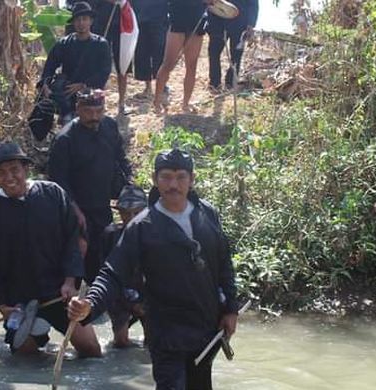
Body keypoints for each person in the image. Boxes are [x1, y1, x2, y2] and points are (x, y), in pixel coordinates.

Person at [68, 149, 240, 390]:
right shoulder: (142, 226)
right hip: (166, 332)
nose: (173, 184)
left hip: (205, 328)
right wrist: (90, 304)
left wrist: (230, 309)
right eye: (166, 177)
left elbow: (223, 264)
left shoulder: (207, 214)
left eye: (181, 177)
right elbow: (112, 273)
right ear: (154, 179)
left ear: (192, 180)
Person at [0, 142, 101, 357]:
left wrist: (70, 281)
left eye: (15, 169)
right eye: (1, 173)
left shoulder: (53, 194)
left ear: (26, 169)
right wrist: (2, 305)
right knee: (25, 357)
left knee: (91, 350)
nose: (9, 177)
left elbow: (73, 238)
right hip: (19, 301)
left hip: (59, 294)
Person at [48, 89, 133, 285]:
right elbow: (58, 181)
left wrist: (129, 183)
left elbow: (121, 157)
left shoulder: (109, 126)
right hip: (77, 208)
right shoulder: (65, 139)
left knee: (103, 250)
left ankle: (99, 296)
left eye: (99, 111)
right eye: (88, 112)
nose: (94, 117)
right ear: (78, 109)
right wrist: (75, 210)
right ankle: (73, 297)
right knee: (78, 254)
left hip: (103, 203)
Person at [40, 2, 112, 122]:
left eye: (84, 19)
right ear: (73, 23)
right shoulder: (64, 43)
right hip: (68, 91)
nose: (81, 23)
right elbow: (50, 65)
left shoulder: (101, 44)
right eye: (78, 20)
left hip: (91, 90)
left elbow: (104, 71)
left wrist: (84, 85)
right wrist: (45, 84)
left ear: (91, 21)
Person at [102, 185, 147, 347]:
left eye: (137, 212)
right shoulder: (110, 235)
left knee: (154, 341)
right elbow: (106, 273)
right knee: (120, 342)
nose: (131, 217)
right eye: (126, 212)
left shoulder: (154, 235)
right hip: (119, 296)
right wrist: (129, 301)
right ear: (119, 212)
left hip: (147, 296)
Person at [153, 0, 214, 113]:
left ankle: (185, 103)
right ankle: (156, 102)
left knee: (192, 65)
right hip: (178, 19)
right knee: (168, 64)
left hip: (197, 22)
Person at [207, 0, 258, 90]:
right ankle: (214, 83)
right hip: (217, 21)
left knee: (236, 55)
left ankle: (230, 82)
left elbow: (253, 3)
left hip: (240, 23)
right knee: (213, 52)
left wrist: (251, 24)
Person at [91, 0, 131, 115]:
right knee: (99, 63)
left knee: (122, 63)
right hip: (101, 21)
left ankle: (122, 102)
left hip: (122, 22)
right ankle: (98, 101)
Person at [131, 0, 168, 97]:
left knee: (160, 52)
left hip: (159, 18)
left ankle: (162, 85)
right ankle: (148, 86)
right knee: (142, 53)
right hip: (140, 18)